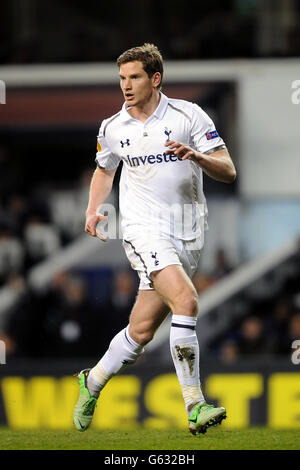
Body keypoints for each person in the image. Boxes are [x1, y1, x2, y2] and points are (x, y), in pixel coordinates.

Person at [73, 43, 236, 436]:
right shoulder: (113, 127)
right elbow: (103, 170)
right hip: (143, 229)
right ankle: (195, 404)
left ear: (155, 78)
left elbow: (228, 171)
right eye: (122, 78)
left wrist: (196, 156)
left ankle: (91, 382)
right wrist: (94, 208)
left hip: (189, 231)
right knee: (187, 300)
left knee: (141, 333)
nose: (126, 86)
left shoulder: (188, 116)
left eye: (135, 77)